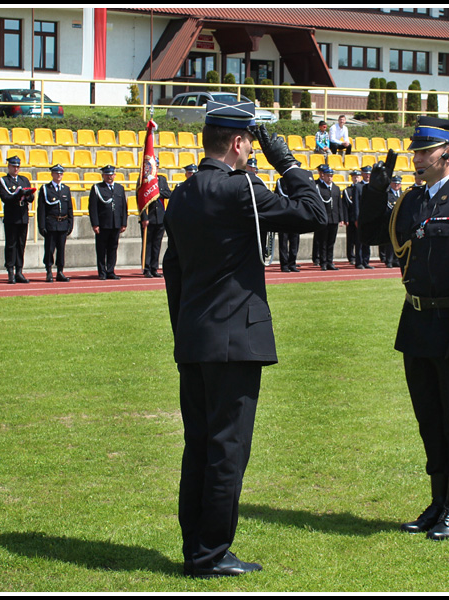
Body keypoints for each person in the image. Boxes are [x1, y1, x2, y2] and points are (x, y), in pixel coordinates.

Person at [163, 100, 326, 577]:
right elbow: (314, 213)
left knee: (199, 447)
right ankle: (212, 553)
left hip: (195, 338)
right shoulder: (241, 190)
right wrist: (288, 163)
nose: (254, 149)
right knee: (227, 450)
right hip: (234, 340)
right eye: (251, 143)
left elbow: (174, 271)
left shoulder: (183, 192)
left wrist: (185, 329)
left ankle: (197, 547)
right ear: (237, 143)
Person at [358, 116, 449, 541]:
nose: (416, 159)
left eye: (424, 151)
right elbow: (368, 236)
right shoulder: (413, 202)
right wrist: (375, 191)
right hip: (417, 324)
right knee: (428, 420)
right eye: (415, 151)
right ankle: (438, 502)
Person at [0, 156, 35, 283]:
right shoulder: (4, 181)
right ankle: (10, 270)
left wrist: (28, 195)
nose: (16, 169)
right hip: (11, 216)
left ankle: (19, 270)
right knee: (11, 244)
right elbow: (5, 198)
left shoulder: (24, 180)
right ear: (9, 167)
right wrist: (18, 195)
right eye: (13, 166)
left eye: (17, 166)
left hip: (22, 216)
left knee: (21, 245)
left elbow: (31, 198)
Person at [88, 165, 128, 280]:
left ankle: (110, 271)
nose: (109, 177)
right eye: (107, 175)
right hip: (103, 224)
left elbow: (123, 207)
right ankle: (102, 272)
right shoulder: (97, 188)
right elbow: (93, 208)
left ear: (114, 175)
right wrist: (95, 224)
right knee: (101, 249)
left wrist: (123, 223)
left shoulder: (119, 188)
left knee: (113, 248)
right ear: (103, 175)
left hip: (116, 224)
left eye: (111, 175)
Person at [37, 164, 74, 282]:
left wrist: (70, 223)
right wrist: (41, 225)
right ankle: (48, 271)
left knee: (61, 249)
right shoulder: (46, 189)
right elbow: (41, 209)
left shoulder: (65, 189)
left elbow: (69, 209)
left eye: (61, 173)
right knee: (49, 249)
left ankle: (60, 271)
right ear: (52, 174)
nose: (59, 175)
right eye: (57, 173)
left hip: (63, 223)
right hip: (51, 223)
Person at [140, 163, 170, 278]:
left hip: (160, 216)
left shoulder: (162, 179)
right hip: (149, 217)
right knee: (148, 244)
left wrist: (156, 193)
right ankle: (146, 268)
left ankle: (154, 267)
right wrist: (144, 218)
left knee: (157, 244)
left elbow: (168, 193)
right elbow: (141, 200)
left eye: (156, 166)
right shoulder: (144, 180)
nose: (155, 168)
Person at [315, 164, 345, 270]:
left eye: (331, 176)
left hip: (334, 219)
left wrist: (341, 218)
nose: (330, 178)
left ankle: (330, 261)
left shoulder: (336, 188)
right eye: (328, 176)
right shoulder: (319, 188)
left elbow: (339, 205)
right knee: (323, 242)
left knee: (331, 242)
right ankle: (323, 262)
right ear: (324, 176)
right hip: (325, 219)